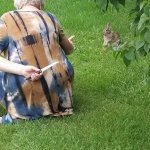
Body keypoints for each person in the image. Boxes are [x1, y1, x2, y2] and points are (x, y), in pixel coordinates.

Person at [0, 0, 74, 124]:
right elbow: (69, 49)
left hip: (27, 83)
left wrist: (21, 69)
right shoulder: (51, 17)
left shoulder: (7, 19)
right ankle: (55, 107)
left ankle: (18, 114)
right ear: (40, 3)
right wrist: (69, 43)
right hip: (61, 89)